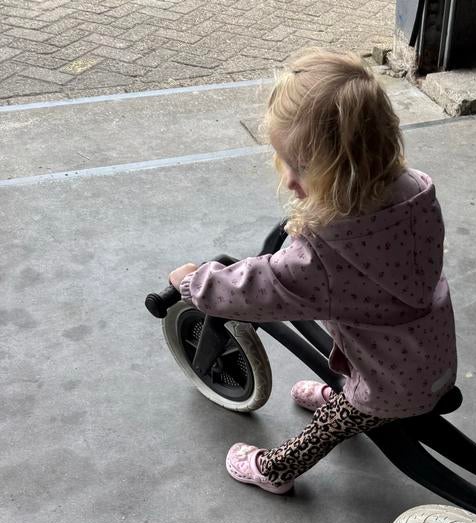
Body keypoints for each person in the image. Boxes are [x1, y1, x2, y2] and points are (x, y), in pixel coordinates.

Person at [169, 49, 456, 494]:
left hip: (387, 387)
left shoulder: (320, 256)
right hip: (430, 353)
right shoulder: (415, 190)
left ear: (341, 174)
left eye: (301, 168)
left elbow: (262, 288)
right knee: (364, 367)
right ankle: (347, 391)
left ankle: (276, 471)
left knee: (333, 424)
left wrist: (194, 283)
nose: (288, 180)